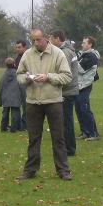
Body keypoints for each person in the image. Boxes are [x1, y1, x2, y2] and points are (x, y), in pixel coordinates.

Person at [16, 28, 72, 181]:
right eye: (33, 40)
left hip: (53, 101)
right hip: (33, 102)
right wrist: (26, 78)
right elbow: (19, 75)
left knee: (58, 138)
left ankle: (63, 170)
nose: (36, 43)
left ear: (46, 38)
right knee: (33, 138)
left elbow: (67, 76)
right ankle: (30, 170)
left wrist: (48, 77)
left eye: (38, 39)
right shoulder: (27, 55)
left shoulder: (57, 53)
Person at [50, 30, 82, 157]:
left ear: (58, 39)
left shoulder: (65, 52)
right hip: (69, 90)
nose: (51, 42)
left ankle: (69, 149)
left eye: (52, 39)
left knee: (66, 121)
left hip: (67, 91)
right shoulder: (68, 50)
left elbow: (66, 74)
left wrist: (55, 83)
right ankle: (67, 147)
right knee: (64, 121)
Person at [75, 36, 101, 140]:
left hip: (85, 85)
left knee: (84, 109)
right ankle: (85, 132)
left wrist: (73, 62)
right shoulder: (84, 54)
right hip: (79, 85)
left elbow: (81, 69)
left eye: (84, 43)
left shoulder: (91, 56)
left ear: (90, 45)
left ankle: (93, 133)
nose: (82, 44)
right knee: (79, 108)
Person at [0, 57, 22, 132]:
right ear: (14, 64)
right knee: (15, 113)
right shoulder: (17, 75)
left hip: (5, 98)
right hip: (16, 97)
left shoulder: (3, 76)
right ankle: (14, 128)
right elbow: (22, 87)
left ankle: (3, 127)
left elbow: (0, 88)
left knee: (5, 114)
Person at [14, 40, 29, 130]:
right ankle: (22, 125)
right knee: (21, 104)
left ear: (24, 47)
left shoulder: (27, 57)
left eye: (19, 47)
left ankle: (25, 125)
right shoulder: (18, 57)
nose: (17, 49)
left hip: (26, 84)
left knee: (26, 105)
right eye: (16, 47)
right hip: (19, 84)